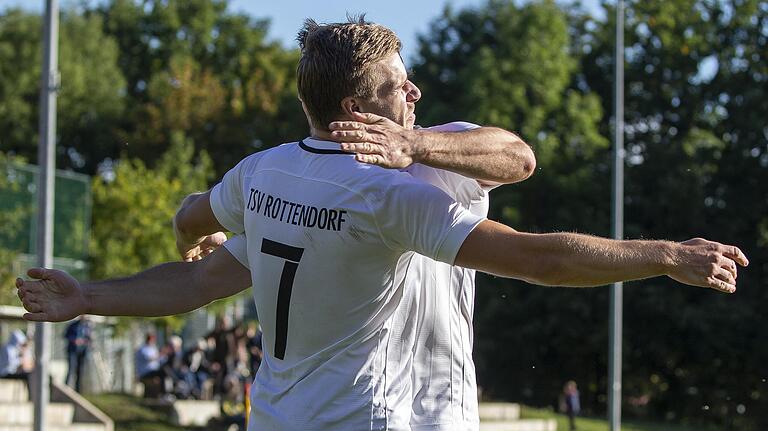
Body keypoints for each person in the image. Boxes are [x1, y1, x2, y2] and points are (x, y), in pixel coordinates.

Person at [15, 17, 748, 431]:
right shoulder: (383, 195)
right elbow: (536, 260)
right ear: (362, 110)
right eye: (402, 84)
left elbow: (199, 260)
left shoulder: (265, 171)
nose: (416, 89)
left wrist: (89, 296)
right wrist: (663, 253)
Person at [64, 315, 92, 392]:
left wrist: (84, 341)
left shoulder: (87, 326)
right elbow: (66, 335)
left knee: (80, 371)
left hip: (82, 351)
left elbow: (89, 339)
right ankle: (66, 389)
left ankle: (78, 390)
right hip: (72, 351)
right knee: (71, 369)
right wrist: (74, 340)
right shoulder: (73, 325)